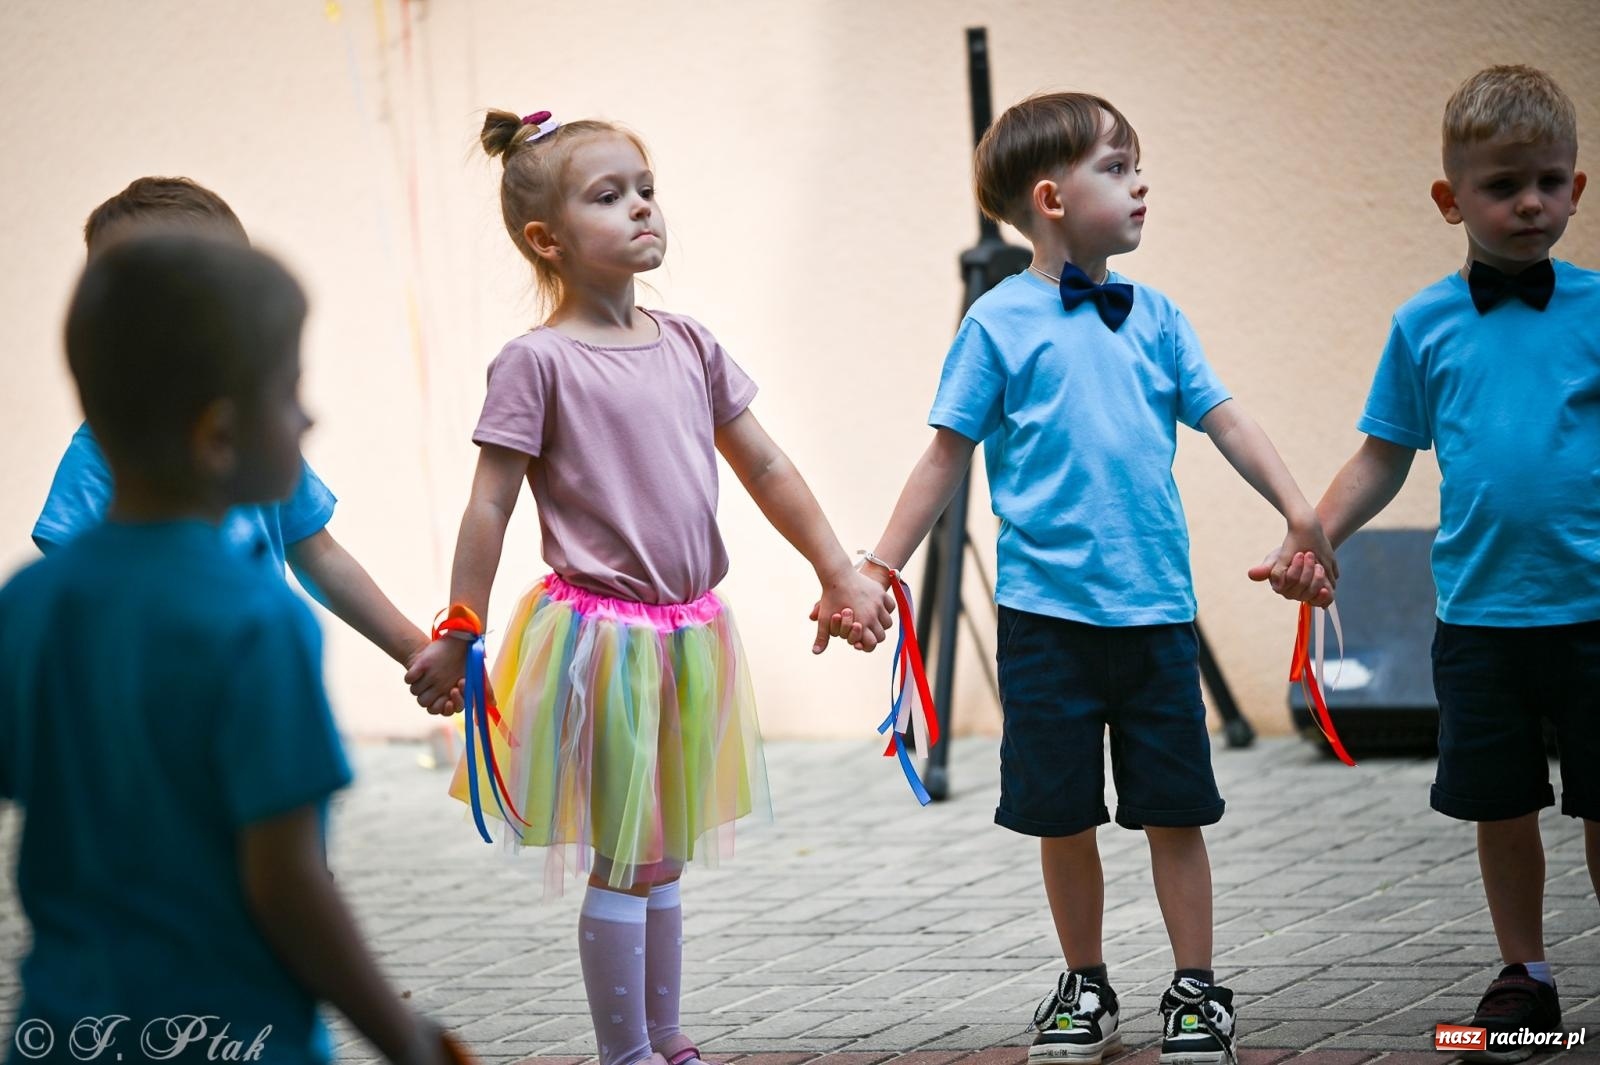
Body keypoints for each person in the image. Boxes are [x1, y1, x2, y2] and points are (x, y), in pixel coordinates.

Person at [848, 92, 1334, 1065]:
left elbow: (1227, 419)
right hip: (1044, 623)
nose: (1140, 183)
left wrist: (1299, 508)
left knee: (1176, 810)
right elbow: (945, 455)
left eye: (1136, 164)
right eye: (1116, 167)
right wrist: (877, 566)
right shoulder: (997, 323)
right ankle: (1085, 982)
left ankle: (1196, 986)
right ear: (1050, 199)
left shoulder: (1158, 318)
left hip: (1154, 616)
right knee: (1059, 814)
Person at [402, 109, 893, 1065]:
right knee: (627, 856)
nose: (640, 208)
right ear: (547, 239)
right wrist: (460, 628)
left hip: (691, 633)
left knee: (661, 852)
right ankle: (625, 1050)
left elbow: (767, 466)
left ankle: (664, 1036)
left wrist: (837, 567)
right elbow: (489, 505)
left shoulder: (690, 345)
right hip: (605, 642)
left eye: (646, 189)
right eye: (608, 196)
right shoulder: (537, 362)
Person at [0, 234, 452, 1065]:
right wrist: (407, 1038)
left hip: (62, 1031)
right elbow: (288, 882)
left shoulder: (28, 601)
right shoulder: (255, 621)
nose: (308, 419)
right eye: (289, 393)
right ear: (218, 435)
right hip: (233, 1034)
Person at [1252, 65, 1595, 1060]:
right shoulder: (1423, 325)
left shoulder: (1597, 309)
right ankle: (1525, 973)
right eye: (1502, 185)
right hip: (1481, 617)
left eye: (1548, 182)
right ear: (1451, 199)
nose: (1528, 203)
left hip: (1593, 611)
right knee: (1502, 802)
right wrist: (1311, 534)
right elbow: (1382, 456)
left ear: (1577, 187)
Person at [32, 176, 440, 698]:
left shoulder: (262, 444)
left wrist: (412, 648)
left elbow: (319, 554)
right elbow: (77, 611)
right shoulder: (95, 462)